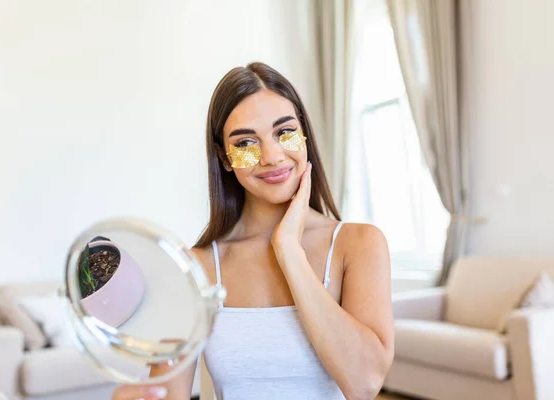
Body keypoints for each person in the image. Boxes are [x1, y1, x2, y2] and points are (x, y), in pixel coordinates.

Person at [113, 62, 394, 400]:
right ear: (225, 158)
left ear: (304, 134)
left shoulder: (359, 244)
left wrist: (289, 250)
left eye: (284, 132)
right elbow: (166, 393)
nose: (272, 156)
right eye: (246, 142)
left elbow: (364, 383)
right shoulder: (196, 267)